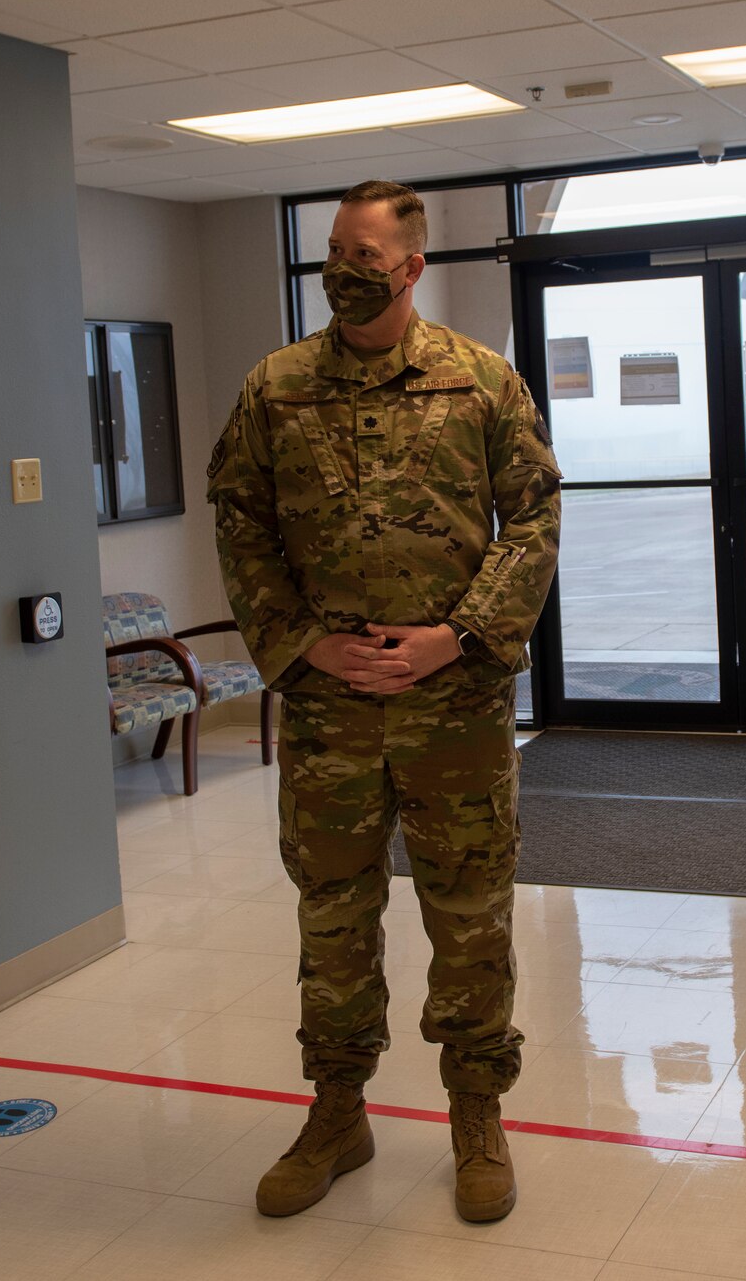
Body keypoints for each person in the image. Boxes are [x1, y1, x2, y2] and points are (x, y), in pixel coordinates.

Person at [207, 180, 561, 1225]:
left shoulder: (480, 383)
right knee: (331, 920)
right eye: (332, 249)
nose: (343, 269)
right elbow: (240, 524)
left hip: (450, 706)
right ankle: (335, 1111)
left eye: (365, 254)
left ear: (410, 267)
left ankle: (475, 1113)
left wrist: (457, 636)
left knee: (468, 916)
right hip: (328, 711)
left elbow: (532, 518)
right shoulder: (274, 388)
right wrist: (303, 642)